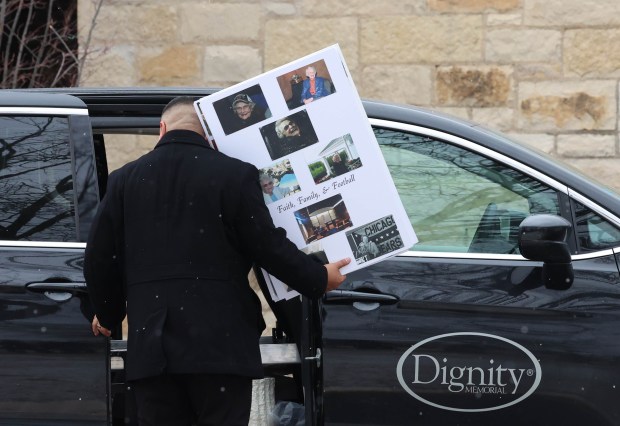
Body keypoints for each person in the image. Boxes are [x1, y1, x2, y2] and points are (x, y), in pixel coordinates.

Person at [84, 96, 350, 426]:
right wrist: (317, 278)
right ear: (209, 135)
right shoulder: (234, 175)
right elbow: (266, 245)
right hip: (220, 347)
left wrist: (108, 312)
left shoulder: (125, 179)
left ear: (162, 128)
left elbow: (99, 256)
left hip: (153, 347)